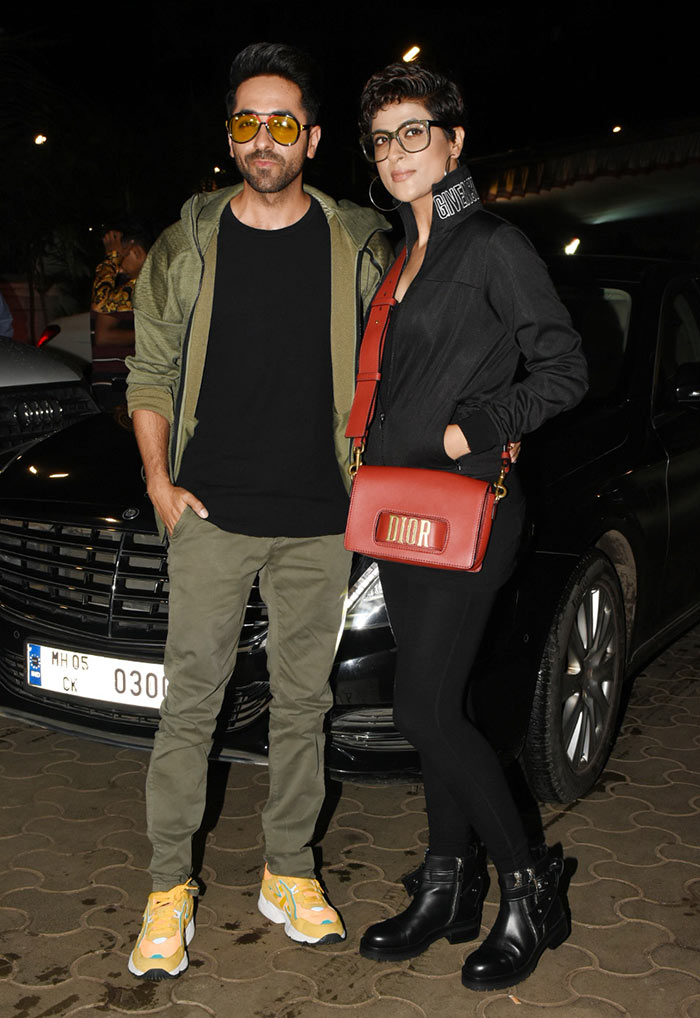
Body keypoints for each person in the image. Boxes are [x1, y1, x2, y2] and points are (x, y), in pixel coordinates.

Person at [125, 42, 392, 980]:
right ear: (230, 137)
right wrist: (158, 482)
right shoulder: (188, 244)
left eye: (283, 122)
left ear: (311, 139)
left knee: (303, 705)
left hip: (321, 516)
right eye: (248, 122)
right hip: (210, 514)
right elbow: (149, 370)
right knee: (190, 706)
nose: (264, 139)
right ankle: (169, 886)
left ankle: (289, 870)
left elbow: (398, 360)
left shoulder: (359, 244)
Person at [354, 63, 588, 992]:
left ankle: (532, 891)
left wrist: (477, 426)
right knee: (433, 705)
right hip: (400, 510)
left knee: (421, 710)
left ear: (454, 143)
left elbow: (563, 368)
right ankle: (447, 886)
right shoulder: (401, 254)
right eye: (382, 138)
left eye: (415, 132)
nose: (396, 152)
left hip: (467, 510)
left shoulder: (490, 243)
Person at [91, 225, 150, 400]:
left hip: (126, 379)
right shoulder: (128, 287)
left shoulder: (150, 284)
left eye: (122, 257)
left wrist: (111, 257)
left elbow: (101, 303)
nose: (119, 269)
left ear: (136, 251)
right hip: (117, 380)